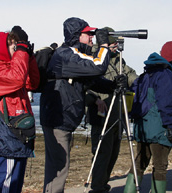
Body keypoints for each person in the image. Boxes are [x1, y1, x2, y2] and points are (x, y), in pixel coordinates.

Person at [40, 17, 125, 193]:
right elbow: (97, 66)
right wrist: (104, 46)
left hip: (61, 119)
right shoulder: (66, 54)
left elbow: (91, 80)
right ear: (77, 36)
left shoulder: (71, 55)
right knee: (58, 169)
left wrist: (113, 84)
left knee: (59, 167)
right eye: (89, 34)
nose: (92, 37)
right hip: (58, 120)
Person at [0, 26, 40, 193]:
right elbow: (18, 78)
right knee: (4, 182)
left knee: (14, 183)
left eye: (16, 44)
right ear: (0, 49)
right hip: (7, 133)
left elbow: (32, 83)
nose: (15, 47)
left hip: (18, 132)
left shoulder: (12, 68)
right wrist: (22, 49)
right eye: (12, 44)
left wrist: (29, 55)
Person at [124, 41, 172, 193]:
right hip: (159, 128)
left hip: (142, 127)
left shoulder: (146, 74)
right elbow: (167, 104)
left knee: (139, 163)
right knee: (160, 166)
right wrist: (170, 126)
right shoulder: (166, 75)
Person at [86, 27, 138, 193]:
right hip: (102, 116)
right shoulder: (93, 57)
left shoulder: (119, 60)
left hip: (118, 115)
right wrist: (94, 99)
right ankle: (97, 188)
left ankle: (104, 185)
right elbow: (86, 84)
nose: (116, 45)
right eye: (114, 42)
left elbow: (133, 77)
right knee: (101, 154)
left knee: (113, 154)